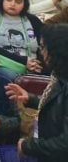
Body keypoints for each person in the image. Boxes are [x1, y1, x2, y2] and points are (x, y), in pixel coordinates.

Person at [6, 23, 68, 161]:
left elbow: (65, 144)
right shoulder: (59, 74)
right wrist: (30, 98)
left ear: (56, 50)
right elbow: (59, 106)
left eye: (43, 47)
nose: (41, 53)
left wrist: (28, 147)